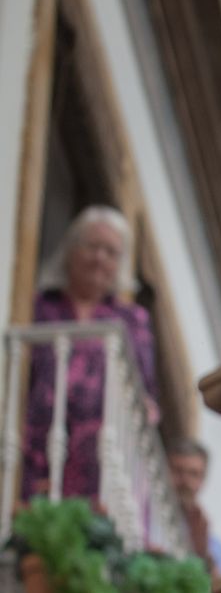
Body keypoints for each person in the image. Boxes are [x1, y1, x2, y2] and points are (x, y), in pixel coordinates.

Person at [24, 205, 159, 501]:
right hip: (40, 443)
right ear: (71, 250)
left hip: (100, 454)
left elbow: (145, 390)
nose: (100, 258)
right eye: (92, 246)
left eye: (111, 252)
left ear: (120, 265)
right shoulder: (40, 306)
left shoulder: (131, 320)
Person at [167, 438, 221, 575]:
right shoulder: (145, 516)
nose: (185, 481)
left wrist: (203, 552)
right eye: (178, 471)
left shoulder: (214, 545)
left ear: (203, 480)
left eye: (193, 474)